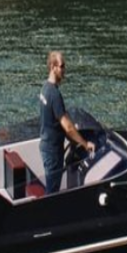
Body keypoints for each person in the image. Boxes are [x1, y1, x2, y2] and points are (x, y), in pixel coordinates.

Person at [38, 51, 94, 195]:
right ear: (52, 67)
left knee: (52, 187)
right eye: (61, 66)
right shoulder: (54, 94)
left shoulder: (45, 89)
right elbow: (68, 126)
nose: (64, 70)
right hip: (53, 151)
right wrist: (84, 143)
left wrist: (71, 138)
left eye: (64, 66)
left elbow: (57, 120)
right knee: (52, 192)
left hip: (45, 145)